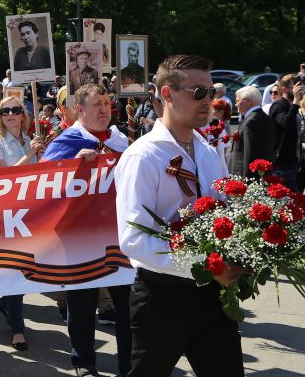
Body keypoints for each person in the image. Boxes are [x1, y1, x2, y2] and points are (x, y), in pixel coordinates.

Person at [115, 55, 244, 376]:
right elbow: (134, 239)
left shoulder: (208, 149)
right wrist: (207, 266)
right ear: (167, 94)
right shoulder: (143, 156)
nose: (209, 101)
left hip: (212, 297)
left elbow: (224, 209)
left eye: (211, 91)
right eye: (198, 92)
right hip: (162, 298)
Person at [41, 84, 132, 377]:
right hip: (80, 236)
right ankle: (83, 362)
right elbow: (40, 180)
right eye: (96, 105)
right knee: (82, 304)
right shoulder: (67, 141)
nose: (104, 109)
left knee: (128, 306)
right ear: (80, 110)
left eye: (106, 103)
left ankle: (129, 364)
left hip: (119, 235)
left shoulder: (121, 141)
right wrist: (72, 164)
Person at [0, 97, 44, 352]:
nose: (10, 114)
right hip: (8, 214)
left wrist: (42, 154)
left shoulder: (34, 140)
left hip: (34, 212)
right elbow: (3, 178)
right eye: (5, 110)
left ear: (23, 115)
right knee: (15, 270)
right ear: (0, 116)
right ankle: (18, 330)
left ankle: (8, 305)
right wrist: (31, 154)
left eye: (15, 110)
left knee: (26, 267)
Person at [230, 85, 274, 178]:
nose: (235, 104)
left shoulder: (253, 120)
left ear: (248, 101)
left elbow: (251, 155)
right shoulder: (258, 117)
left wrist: (248, 183)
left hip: (244, 178)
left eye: (238, 101)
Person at [269, 74, 303, 191]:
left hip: (294, 163)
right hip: (282, 165)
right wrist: (296, 102)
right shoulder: (278, 105)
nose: (299, 89)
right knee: (289, 204)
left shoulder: (291, 106)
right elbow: (285, 123)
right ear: (284, 89)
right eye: (295, 86)